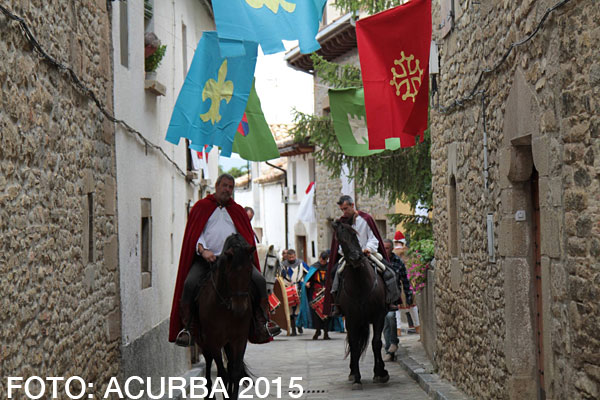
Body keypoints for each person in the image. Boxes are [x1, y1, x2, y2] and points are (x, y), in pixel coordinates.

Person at [168, 174, 280, 347]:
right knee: (189, 283)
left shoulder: (237, 211)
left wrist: (240, 252)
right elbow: (196, 235)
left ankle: (262, 322)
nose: (227, 190)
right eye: (225, 186)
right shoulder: (201, 207)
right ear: (217, 185)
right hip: (207, 260)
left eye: (230, 187)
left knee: (259, 280)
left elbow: (245, 236)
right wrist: (203, 250)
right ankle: (188, 328)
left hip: (233, 262)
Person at [323, 195, 398, 317]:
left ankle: (390, 301)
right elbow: (340, 245)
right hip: (349, 257)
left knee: (389, 271)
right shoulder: (342, 223)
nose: (344, 212)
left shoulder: (366, 219)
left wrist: (367, 249)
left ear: (352, 205)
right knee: (334, 273)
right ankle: (337, 305)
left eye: (346, 208)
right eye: (342, 209)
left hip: (367, 254)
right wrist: (347, 253)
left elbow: (373, 238)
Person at [382, 239, 413, 361]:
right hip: (382, 297)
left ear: (391, 248)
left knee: (390, 317)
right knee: (385, 323)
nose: (386, 250)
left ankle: (394, 343)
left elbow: (405, 279)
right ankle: (388, 350)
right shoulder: (379, 261)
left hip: (394, 295)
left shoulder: (398, 262)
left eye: (388, 248)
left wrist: (408, 294)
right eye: (384, 248)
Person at [305, 251, 332, 340]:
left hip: (326, 293)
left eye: (324, 260)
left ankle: (326, 332)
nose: (322, 262)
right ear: (319, 258)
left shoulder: (330, 267)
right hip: (316, 292)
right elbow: (309, 278)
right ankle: (317, 331)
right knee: (316, 313)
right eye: (321, 259)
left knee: (327, 313)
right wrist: (308, 283)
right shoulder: (314, 267)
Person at [281, 249, 308, 336]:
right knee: (290, 310)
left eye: (293, 257)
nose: (292, 259)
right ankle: (293, 329)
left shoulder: (300, 263)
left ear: (295, 256)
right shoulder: (283, 265)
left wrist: (306, 282)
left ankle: (299, 325)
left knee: (298, 309)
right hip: (287, 288)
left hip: (299, 288)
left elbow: (309, 273)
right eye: (290, 257)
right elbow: (279, 276)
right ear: (287, 257)